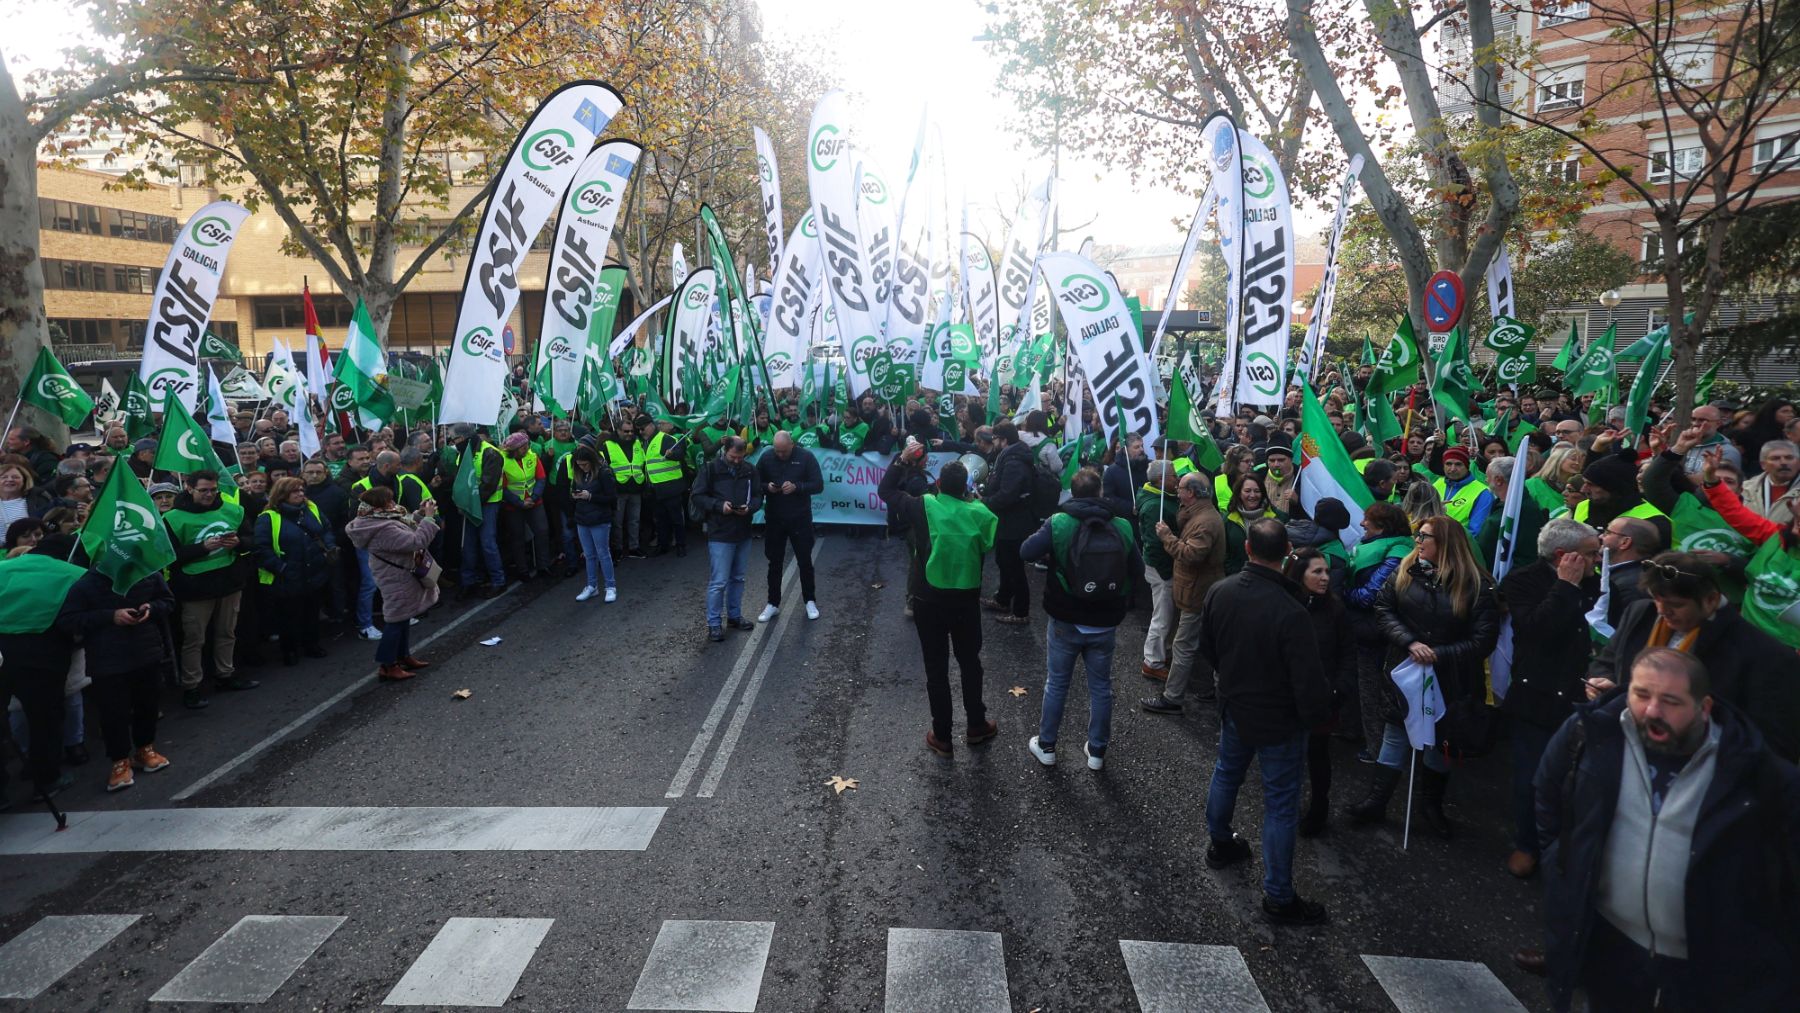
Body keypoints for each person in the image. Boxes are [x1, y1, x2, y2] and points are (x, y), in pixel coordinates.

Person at [1535, 648, 1800, 1012]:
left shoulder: (1750, 769)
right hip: (1610, 949)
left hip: (1704, 968)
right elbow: (1548, 793)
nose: (1653, 711)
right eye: (1641, 695)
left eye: (1671, 701)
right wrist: (1559, 863)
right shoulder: (1593, 735)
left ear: (1703, 707)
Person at [1195, 519, 1333, 925]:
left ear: (1249, 550)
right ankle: (1277, 895)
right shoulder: (1291, 610)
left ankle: (1221, 841)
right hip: (1280, 719)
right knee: (1280, 804)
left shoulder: (1220, 592)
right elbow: (1307, 679)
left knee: (1227, 773)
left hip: (1236, 705)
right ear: (1288, 551)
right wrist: (1316, 719)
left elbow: (1209, 648)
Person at [1353, 514, 1500, 835]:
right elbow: (1383, 608)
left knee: (1440, 742)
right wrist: (1409, 642)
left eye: (1425, 537)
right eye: (1418, 535)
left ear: (1445, 543)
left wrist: (1438, 654)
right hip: (1405, 671)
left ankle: (1431, 806)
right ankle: (1376, 801)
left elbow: (1484, 639)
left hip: (1452, 680)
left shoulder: (1477, 585)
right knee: (1395, 734)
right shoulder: (1404, 571)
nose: (1417, 542)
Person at [1588, 551, 1800, 762]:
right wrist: (1607, 685)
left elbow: (1774, 744)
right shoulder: (1641, 613)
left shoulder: (1763, 655)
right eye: (1656, 600)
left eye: (1676, 605)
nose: (1663, 611)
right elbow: (1607, 662)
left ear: (1711, 600)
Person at [1496, 518, 1599, 880]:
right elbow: (1536, 629)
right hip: (1538, 693)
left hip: (1586, 692)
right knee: (1533, 776)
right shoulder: (1523, 581)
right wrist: (1565, 587)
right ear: (1563, 556)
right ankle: (1528, 843)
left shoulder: (1600, 582)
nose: (1598, 560)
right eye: (1590, 554)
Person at [1021, 467, 1142, 771]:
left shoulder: (1059, 522)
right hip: (1105, 621)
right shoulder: (1123, 526)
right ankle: (1097, 751)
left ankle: (1047, 745)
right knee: (1101, 687)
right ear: (1101, 492)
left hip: (1066, 618)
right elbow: (1138, 571)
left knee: (1057, 684)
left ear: (1072, 493)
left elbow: (1026, 551)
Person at [880, 449, 998, 758]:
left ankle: (943, 736)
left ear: (939, 485)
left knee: (936, 668)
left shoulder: (924, 506)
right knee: (970, 663)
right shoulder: (982, 513)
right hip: (966, 601)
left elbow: (886, 491)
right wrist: (973, 503)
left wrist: (903, 460)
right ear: (966, 488)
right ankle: (976, 725)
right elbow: (988, 541)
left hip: (927, 598)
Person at [57, 566, 176, 792]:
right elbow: (68, 620)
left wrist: (151, 607)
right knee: (114, 712)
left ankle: (145, 748)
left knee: (148, 704)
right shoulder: (86, 583)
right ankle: (119, 760)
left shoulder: (147, 574)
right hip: (107, 660)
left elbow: (168, 600)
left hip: (146, 651)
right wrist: (111, 616)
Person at [164, 470, 259, 710]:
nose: (209, 494)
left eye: (213, 490)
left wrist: (239, 543)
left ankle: (225, 675)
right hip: (195, 589)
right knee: (194, 640)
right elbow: (168, 556)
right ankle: (191, 686)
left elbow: (251, 538)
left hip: (229, 582)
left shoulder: (233, 510)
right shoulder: (173, 518)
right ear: (189, 488)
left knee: (227, 632)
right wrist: (201, 548)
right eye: (203, 490)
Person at [1283, 547, 1355, 837]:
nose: (1326, 577)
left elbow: (1348, 654)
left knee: (1318, 755)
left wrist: (1339, 690)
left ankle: (1319, 808)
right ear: (1299, 574)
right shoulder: (1284, 605)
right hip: (1287, 700)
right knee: (1287, 757)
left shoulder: (1336, 609)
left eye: (1326, 571)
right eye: (1318, 572)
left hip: (1323, 701)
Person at [1141, 472, 1227, 714]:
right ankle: (1219, 689)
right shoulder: (1197, 513)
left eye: (1180, 488)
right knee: (1207, 642)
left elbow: (1191, 554)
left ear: (1190, 493)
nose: (1176, 491)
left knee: (1183, 645)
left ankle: (1173, 698)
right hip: (1194, 588)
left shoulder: (1206, 521)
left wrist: (1167, 537)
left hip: (1197, 592)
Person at [345, 487, 439, 681]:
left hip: (399, 574)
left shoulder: (379, 519)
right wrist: (429, 519)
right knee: (395, 620)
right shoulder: (381, 528)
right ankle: (387, 665)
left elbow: (407, 526)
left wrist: (420, 514)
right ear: (379, 505)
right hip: (395, 577)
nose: (393, 504)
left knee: (404, 617)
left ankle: (403, 656)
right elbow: (416, 541)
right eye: (389, 501)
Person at [252, 476, 335, 665]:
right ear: (282, 495)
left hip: (314, 571)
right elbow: (261, 548)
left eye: (301, 490)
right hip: (287, 576)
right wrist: (281, 568)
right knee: (288, 616)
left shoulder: (311, 508)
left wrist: (328, 548)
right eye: (295, 491)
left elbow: (326, 529)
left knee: (311, 612)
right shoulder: (268, 518)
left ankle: (311, 645)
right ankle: (289, 650)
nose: (300, 494)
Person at [692, 436, 762, 642]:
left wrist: (750, 508)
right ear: (725, 451)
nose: (737, 461)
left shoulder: (750, 470)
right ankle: (714, 623)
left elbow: (758, 495)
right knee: (719, 581)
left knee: (738, 578)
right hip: (720, 533)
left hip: (743, 531)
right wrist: (718, 506)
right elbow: (697, 496)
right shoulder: (711, 469)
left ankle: (734, 615)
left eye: (741, 457)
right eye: (734, 457)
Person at [756, 430, 824, 622]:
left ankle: (810, 600)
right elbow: (755, 481)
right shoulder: (767, 456)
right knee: (774, 561)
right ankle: (773, 603)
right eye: (777, 451)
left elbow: (818, 484)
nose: (780, 455)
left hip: (800, 517)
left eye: (784, 451)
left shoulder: (806, 457)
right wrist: (767, 487)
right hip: (775, 518)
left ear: (792, 445)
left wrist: (797, 487)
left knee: (804, 560)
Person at [980, 421, 1037, 625]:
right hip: (1008, 521)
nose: (993, 442)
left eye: (995, 438)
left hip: (1015, 523)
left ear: (1003, 440)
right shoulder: (1009, 456)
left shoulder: (1014, 461)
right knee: (1004, 561)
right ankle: (1003, 599)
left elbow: (1007, 495)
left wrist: (984, 502)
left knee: (1014, 566)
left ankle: (1021, 612)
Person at [450, 424, 506, 598]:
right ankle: (469, 582)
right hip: (470, 505)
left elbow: (488, 484)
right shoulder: (462, 453)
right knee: (468, 545)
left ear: (465, 437)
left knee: (487, 543)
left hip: (488, 503)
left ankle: (498, 581)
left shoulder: (491, 453)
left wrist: (471, 504)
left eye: (455, 439)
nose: (453, 443)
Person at [1135, 461, 1179, 679]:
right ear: (1161, 480)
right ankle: (1152, 661)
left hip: (1162, 568)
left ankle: (1162, 653)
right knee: (1162, 617)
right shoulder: (1155, 506)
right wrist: (1166, 572)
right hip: (1162, 570)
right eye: (1173, 475)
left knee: (1167, 615)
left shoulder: (1161, 499)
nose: (1177, 478)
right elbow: (1154, 544)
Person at [566, 445, 619, 602]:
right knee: (589, 555)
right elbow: (573, 492)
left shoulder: (604, 473)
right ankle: (592, 586)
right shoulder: (579, 474)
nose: (582, 467)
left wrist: (590, 496)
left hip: (600, 519)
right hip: (582, 518)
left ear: (592, 461)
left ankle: (610, 587)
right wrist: (575, 497)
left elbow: (612, 498)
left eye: (585, 464)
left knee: (603, 553)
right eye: (579, 464)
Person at [639, 415, 688, 557]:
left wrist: (672, 455)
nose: (641, 432)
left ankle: (681, 545)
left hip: (670, 486)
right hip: (655, 488)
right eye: (639, 430)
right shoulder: (645, 442)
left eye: (643, 428)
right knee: (660, 520)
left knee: (676, 519)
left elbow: (680, 454)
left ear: (651, 425)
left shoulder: (666, 439)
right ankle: (663, 545)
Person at [1221, 471, 1281, 575]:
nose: (1252, 495)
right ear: (1239, 493)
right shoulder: (1227, 520)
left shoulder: (1277, 517)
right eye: (1247, 491)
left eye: (1257, 491)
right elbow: (1224, 553)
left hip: (1269, 577)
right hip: (1237, 579)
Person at [1741, 438, 1800, 524]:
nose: (1783, 462)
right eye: (1775, 458)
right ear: (1763, 465)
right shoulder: (1745, 489)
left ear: (1798, 462)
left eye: (1789, 458)